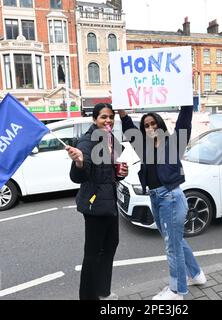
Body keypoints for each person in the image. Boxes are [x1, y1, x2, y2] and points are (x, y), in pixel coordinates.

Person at [119, 105, 206, 300]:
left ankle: (177, 291)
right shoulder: (145, 148)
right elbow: (130, 131)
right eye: (146, 125)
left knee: (172, 245)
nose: (150, 128)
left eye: (153, 124)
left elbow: (184, 121)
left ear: (160, 125)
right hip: (155, 198)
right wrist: (122, 113)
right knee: (176, 241)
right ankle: (196, 275)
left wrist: (186, 100)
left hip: (171, 198)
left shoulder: (174, 142)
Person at [67, 103, 128, 300]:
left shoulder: (109, 138)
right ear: (94, 119)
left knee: (111, 245)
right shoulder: (87, 141)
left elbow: (109, 172)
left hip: (109, 201)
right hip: (94, 204)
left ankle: (103, 291)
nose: (108, 120)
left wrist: (120, 174)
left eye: (111, 117)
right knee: (93, 254)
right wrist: (79, 162)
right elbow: (78, 177)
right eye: (103, 117)